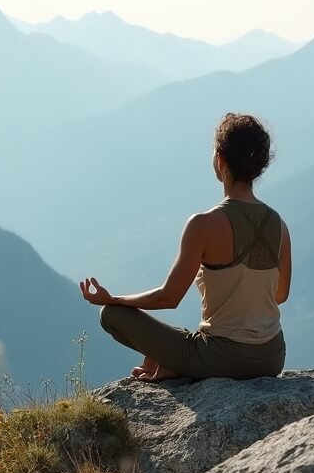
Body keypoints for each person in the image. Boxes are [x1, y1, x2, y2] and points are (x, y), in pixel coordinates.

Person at [79, 113, 291, 382]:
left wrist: (113, 299)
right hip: (272, 357)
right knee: (188, 339)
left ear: (220, 160)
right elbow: (280, 294)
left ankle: (178, 366)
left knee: (111, 315)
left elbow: (169, 297)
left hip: (222, 358)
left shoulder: (203, 224)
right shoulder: (280, 226)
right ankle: (174, 363)